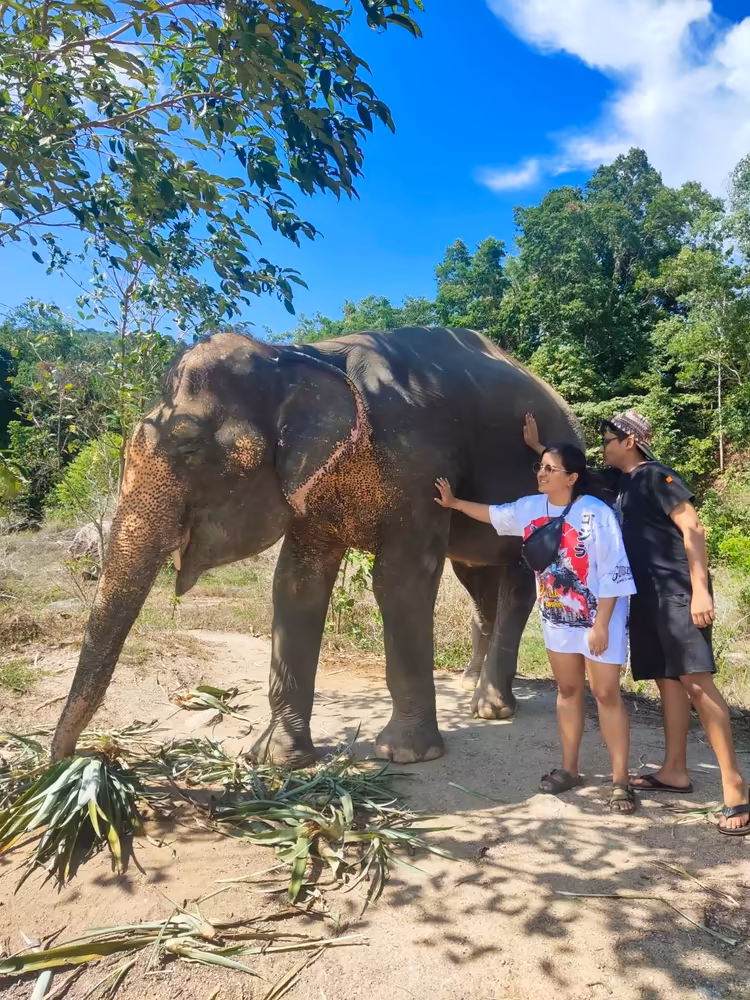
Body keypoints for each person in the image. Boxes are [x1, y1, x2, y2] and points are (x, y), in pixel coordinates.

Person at [524, 410, 750, 836]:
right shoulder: (619, 483)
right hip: (642, 598)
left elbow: (694, 529)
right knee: (667, 681)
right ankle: (675, 771)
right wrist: (541, 451)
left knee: (696, 682)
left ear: (629, 441)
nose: (603, 445)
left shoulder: (654, 476)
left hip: (676, 592)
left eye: (609, 438)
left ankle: (735, 787)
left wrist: (700, 590)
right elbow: (570, 474)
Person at [435, 442, 638, 813]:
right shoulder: (531, 507)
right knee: (567, 689)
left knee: (606, 694)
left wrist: (603, 624)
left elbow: (615, 571)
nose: (542, 473)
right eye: (540, 467)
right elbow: (494, 514)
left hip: (598, 619)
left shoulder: (596, 514)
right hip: (558, 618)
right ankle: (570, 769)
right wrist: (454, 503)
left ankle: (620, 780)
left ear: (572, 478)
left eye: (550, 469)